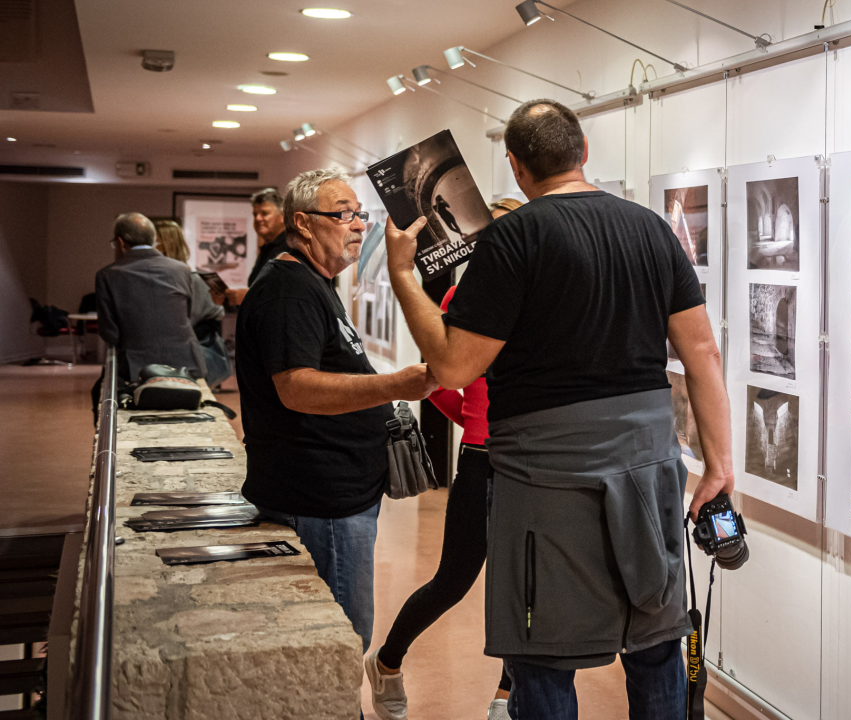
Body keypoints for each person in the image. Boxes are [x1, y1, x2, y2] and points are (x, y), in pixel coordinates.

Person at [384, 100, 735, 720]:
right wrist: (720, 466)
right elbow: (702, 351)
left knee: (542, 652)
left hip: (542, 472)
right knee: (656, 641)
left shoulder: (512, 238)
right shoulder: (652, 229)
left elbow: (454, 368)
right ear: (584, 152)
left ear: (516, 166)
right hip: (646, 463)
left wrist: (404, 277)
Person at [235, 169, 437, 666]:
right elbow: (297, 388)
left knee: (342, 638)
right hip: (319, 500)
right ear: (303, 223)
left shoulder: (314, 282)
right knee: (339, 644)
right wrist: (396, 385)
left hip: (337, 496)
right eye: (343, 214)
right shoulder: (288, 291)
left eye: (359, 214)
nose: (359, 225)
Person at [365, 197, 524, 720]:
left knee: (522, 585)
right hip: (481, 460)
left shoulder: (541, 296)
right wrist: (473, 422)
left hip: (532, 460)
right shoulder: (462, 296)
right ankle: (387, 661)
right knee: (454, 580)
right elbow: (439, 379)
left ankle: (506, 695)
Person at [93, 213, 205, 420]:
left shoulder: (107, 275)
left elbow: (110, 333)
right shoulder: (181, 269)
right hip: (186, 366)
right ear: (153, 239)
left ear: (121, 242)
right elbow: (188, 315)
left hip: (137, 370)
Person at [154, 219, 231, 388]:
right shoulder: (156, 278)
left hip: (187, 359)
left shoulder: (193, 279)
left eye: (154, 242)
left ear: (166, 245)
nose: (150, 247)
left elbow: (212, 320)